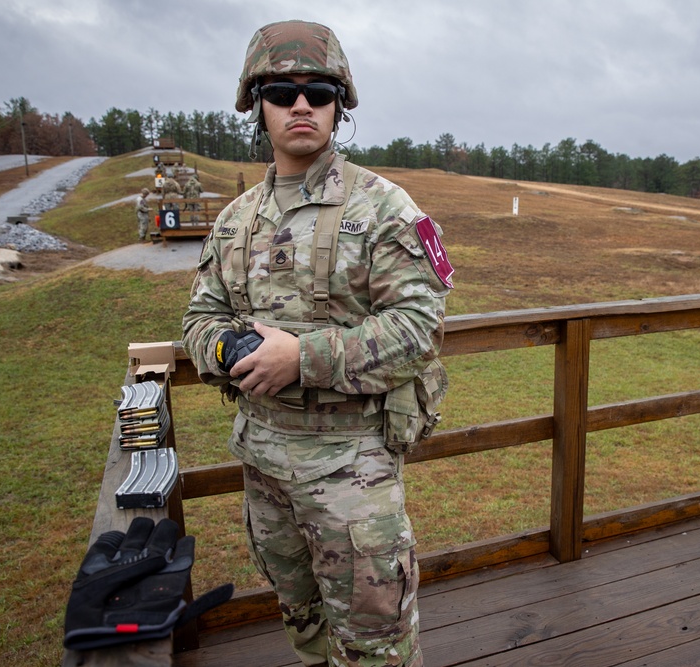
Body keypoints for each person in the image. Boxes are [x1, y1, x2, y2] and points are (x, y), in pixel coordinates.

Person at [182, 20, 453, 667]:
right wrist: (229, 351)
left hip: (352, 474)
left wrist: (300, 358)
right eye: (281, 90)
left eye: (319, 91)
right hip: (265, 469)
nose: (301, 104)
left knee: (377, 649)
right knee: (303, 627)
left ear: (340, 105)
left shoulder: (382, 210)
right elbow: (199, 319)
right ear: (257, 105)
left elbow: (420, 329)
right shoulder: (236, 221)